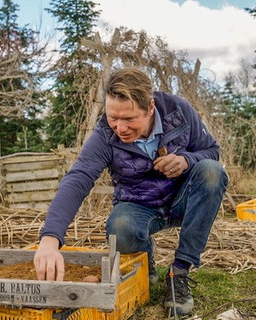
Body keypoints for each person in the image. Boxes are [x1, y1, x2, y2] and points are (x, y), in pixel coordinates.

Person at [33, 67, 228, 316]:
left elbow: (211, 151)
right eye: (113, 117)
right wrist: (50, 239)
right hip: (137, 204)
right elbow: (78, 178)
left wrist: (186, 161)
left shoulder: (178, 111)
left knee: (212, 172)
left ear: (149, 108)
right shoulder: (104, 134)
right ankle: (145, 262)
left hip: (182, 199)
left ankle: (179, 271)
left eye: (129, 119)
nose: (119, 127)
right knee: (121, 227)